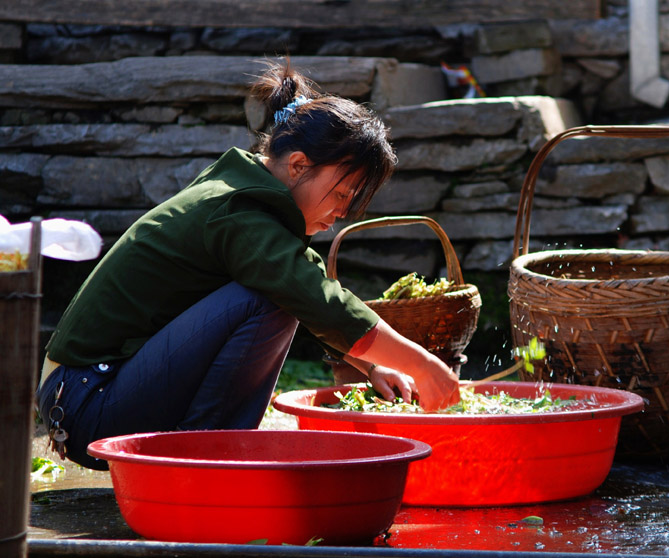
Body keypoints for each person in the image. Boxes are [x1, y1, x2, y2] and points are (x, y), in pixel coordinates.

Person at [35, 60, 460, 470]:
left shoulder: (247, 197)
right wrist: (421, 364)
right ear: (298, 166)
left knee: (278, 291)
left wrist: (374, 364)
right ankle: (206, 465)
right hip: (85, 400)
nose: (343, 214)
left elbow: (308, 282)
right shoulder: (239, 212)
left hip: (86, 394)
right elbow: (315, 296)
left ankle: (203, 455)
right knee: (270, 298)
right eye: (343, 194)